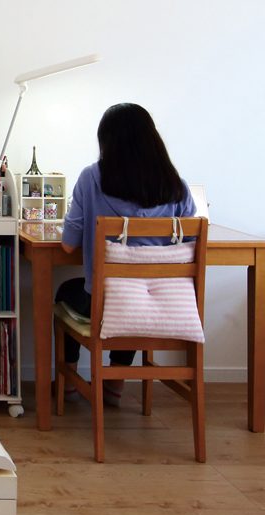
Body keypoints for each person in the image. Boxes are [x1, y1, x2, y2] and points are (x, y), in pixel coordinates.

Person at [58, 103, 195, 404]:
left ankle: (67, 385)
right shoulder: (177, 186)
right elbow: (190, 246)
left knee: (68, 291)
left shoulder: (91, 178)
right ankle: (114, 385)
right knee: (135, 292)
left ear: (106, 141)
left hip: (108, 304)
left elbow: (68, 245)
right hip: (161, 305)